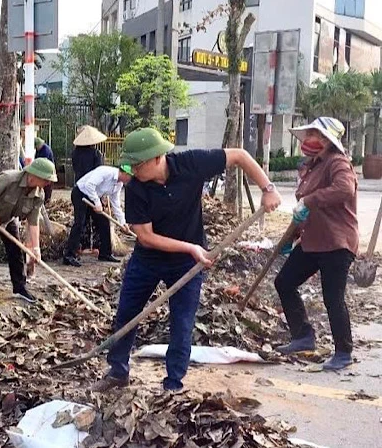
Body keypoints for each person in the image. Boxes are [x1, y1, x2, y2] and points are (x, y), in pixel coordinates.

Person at [91, 128, 282, 393]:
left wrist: (268, 188)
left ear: (157, 158)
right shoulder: (135, 186)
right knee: (127, 314)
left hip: (187, 264)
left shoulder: (191, 163)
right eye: (129, 164)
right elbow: (145, 237)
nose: (132, 169)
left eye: (137, 164)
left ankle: (173, 384)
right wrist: (190, 247)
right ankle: (118, 370)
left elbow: (239, 156)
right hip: (149, 259)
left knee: (182, 322)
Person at [273, 117, 358, 371]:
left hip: (336, 241)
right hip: (312, 240)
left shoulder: (338, 162)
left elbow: (345, 189)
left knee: (332, 297)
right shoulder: (313, 166)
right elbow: (305, 209)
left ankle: (344, 351)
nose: (309, 138)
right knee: (284, 282)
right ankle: (303, 337)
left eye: (314, 133)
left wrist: (309, 200)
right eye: (309, 132)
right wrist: (293, 235)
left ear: (326, 140)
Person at [0, 158, 57, 306]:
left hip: (7, 218)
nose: (48, 183)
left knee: (15, 251)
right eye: (46, 179)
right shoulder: (10, 179)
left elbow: (33, 221)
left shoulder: (38, 194)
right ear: (35, 176)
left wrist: (35, 248)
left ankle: (20, 287)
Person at [63, 165, 131, 267]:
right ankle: (69, 255)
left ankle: (105, 253)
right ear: (125, 173)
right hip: (81, 193)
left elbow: (115, 203)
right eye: (130, 177)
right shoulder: (106, 172)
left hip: (93, 196)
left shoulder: (119, 184)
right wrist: (97, 203)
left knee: (104, 222)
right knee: (80, 223)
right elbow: (89, 185)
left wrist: (123, 222)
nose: (130, 180)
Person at [34, 136, 55, 202]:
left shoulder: (46, 150)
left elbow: (42, 162)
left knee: (47, 188)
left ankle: (47, 201)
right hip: (43, 172)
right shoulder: (39, 150)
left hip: (48, 171)